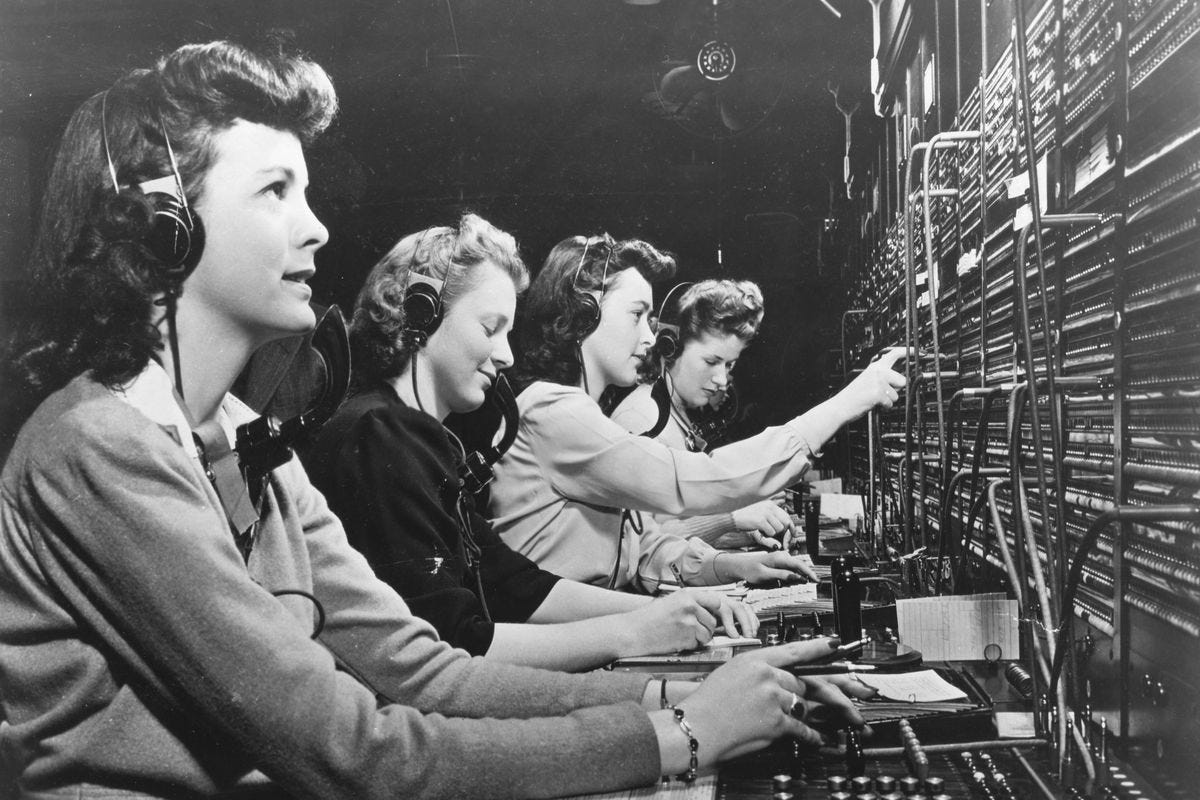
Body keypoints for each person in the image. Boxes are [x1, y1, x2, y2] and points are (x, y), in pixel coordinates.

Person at [0, 42, 867, 799]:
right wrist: (677, 737)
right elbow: (358, 755)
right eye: (275, 190)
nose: (318, 227)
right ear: (165, 227)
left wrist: (680, 698)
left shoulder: (250, 445)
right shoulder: (98, 445)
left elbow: (427, 673)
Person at [303, 214, 761, 671]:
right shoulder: (381, 432)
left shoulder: (411, 436)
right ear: (423, 314)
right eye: (490, 327)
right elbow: (454, 642)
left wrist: (664, 611)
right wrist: (634, 631)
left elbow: (517, 584)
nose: (506, 355)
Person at [489, 234, 907, 593]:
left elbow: (642, 547)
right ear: (583, 314)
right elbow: (696, 480)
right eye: (637, 314)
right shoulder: (552, 411)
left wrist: (730, 566)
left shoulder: (582, 414)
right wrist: (846, 403)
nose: (651, 336)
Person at [611, 279, 797, 552]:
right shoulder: (640, 420)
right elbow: (638, 547)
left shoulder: (675, 414)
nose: (722, 380)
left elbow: (683, 527)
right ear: (669, 348)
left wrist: (748, 531)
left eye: (729, 364)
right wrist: (731, 518)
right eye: (711, 362)